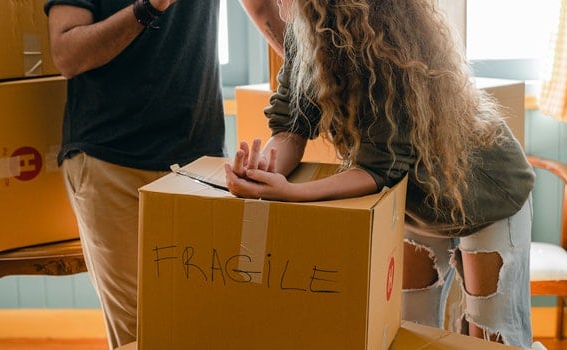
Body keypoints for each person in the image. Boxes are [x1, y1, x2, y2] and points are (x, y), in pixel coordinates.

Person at [225, 0, 537, 348]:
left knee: (491, 337)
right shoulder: (307, 30)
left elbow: (378, 169)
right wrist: (265, 170)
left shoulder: (383, 44)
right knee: (409, 328)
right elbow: (291, 128)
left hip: (484, 195)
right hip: (417, 201)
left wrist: (292, 193)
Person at [43, 0, 276, 348]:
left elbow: (262, 9)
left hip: (199, 163)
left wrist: (327, 71)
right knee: (143, 332)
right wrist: (148, 7)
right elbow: (67, 55)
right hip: (111, 160)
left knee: (206, 326)